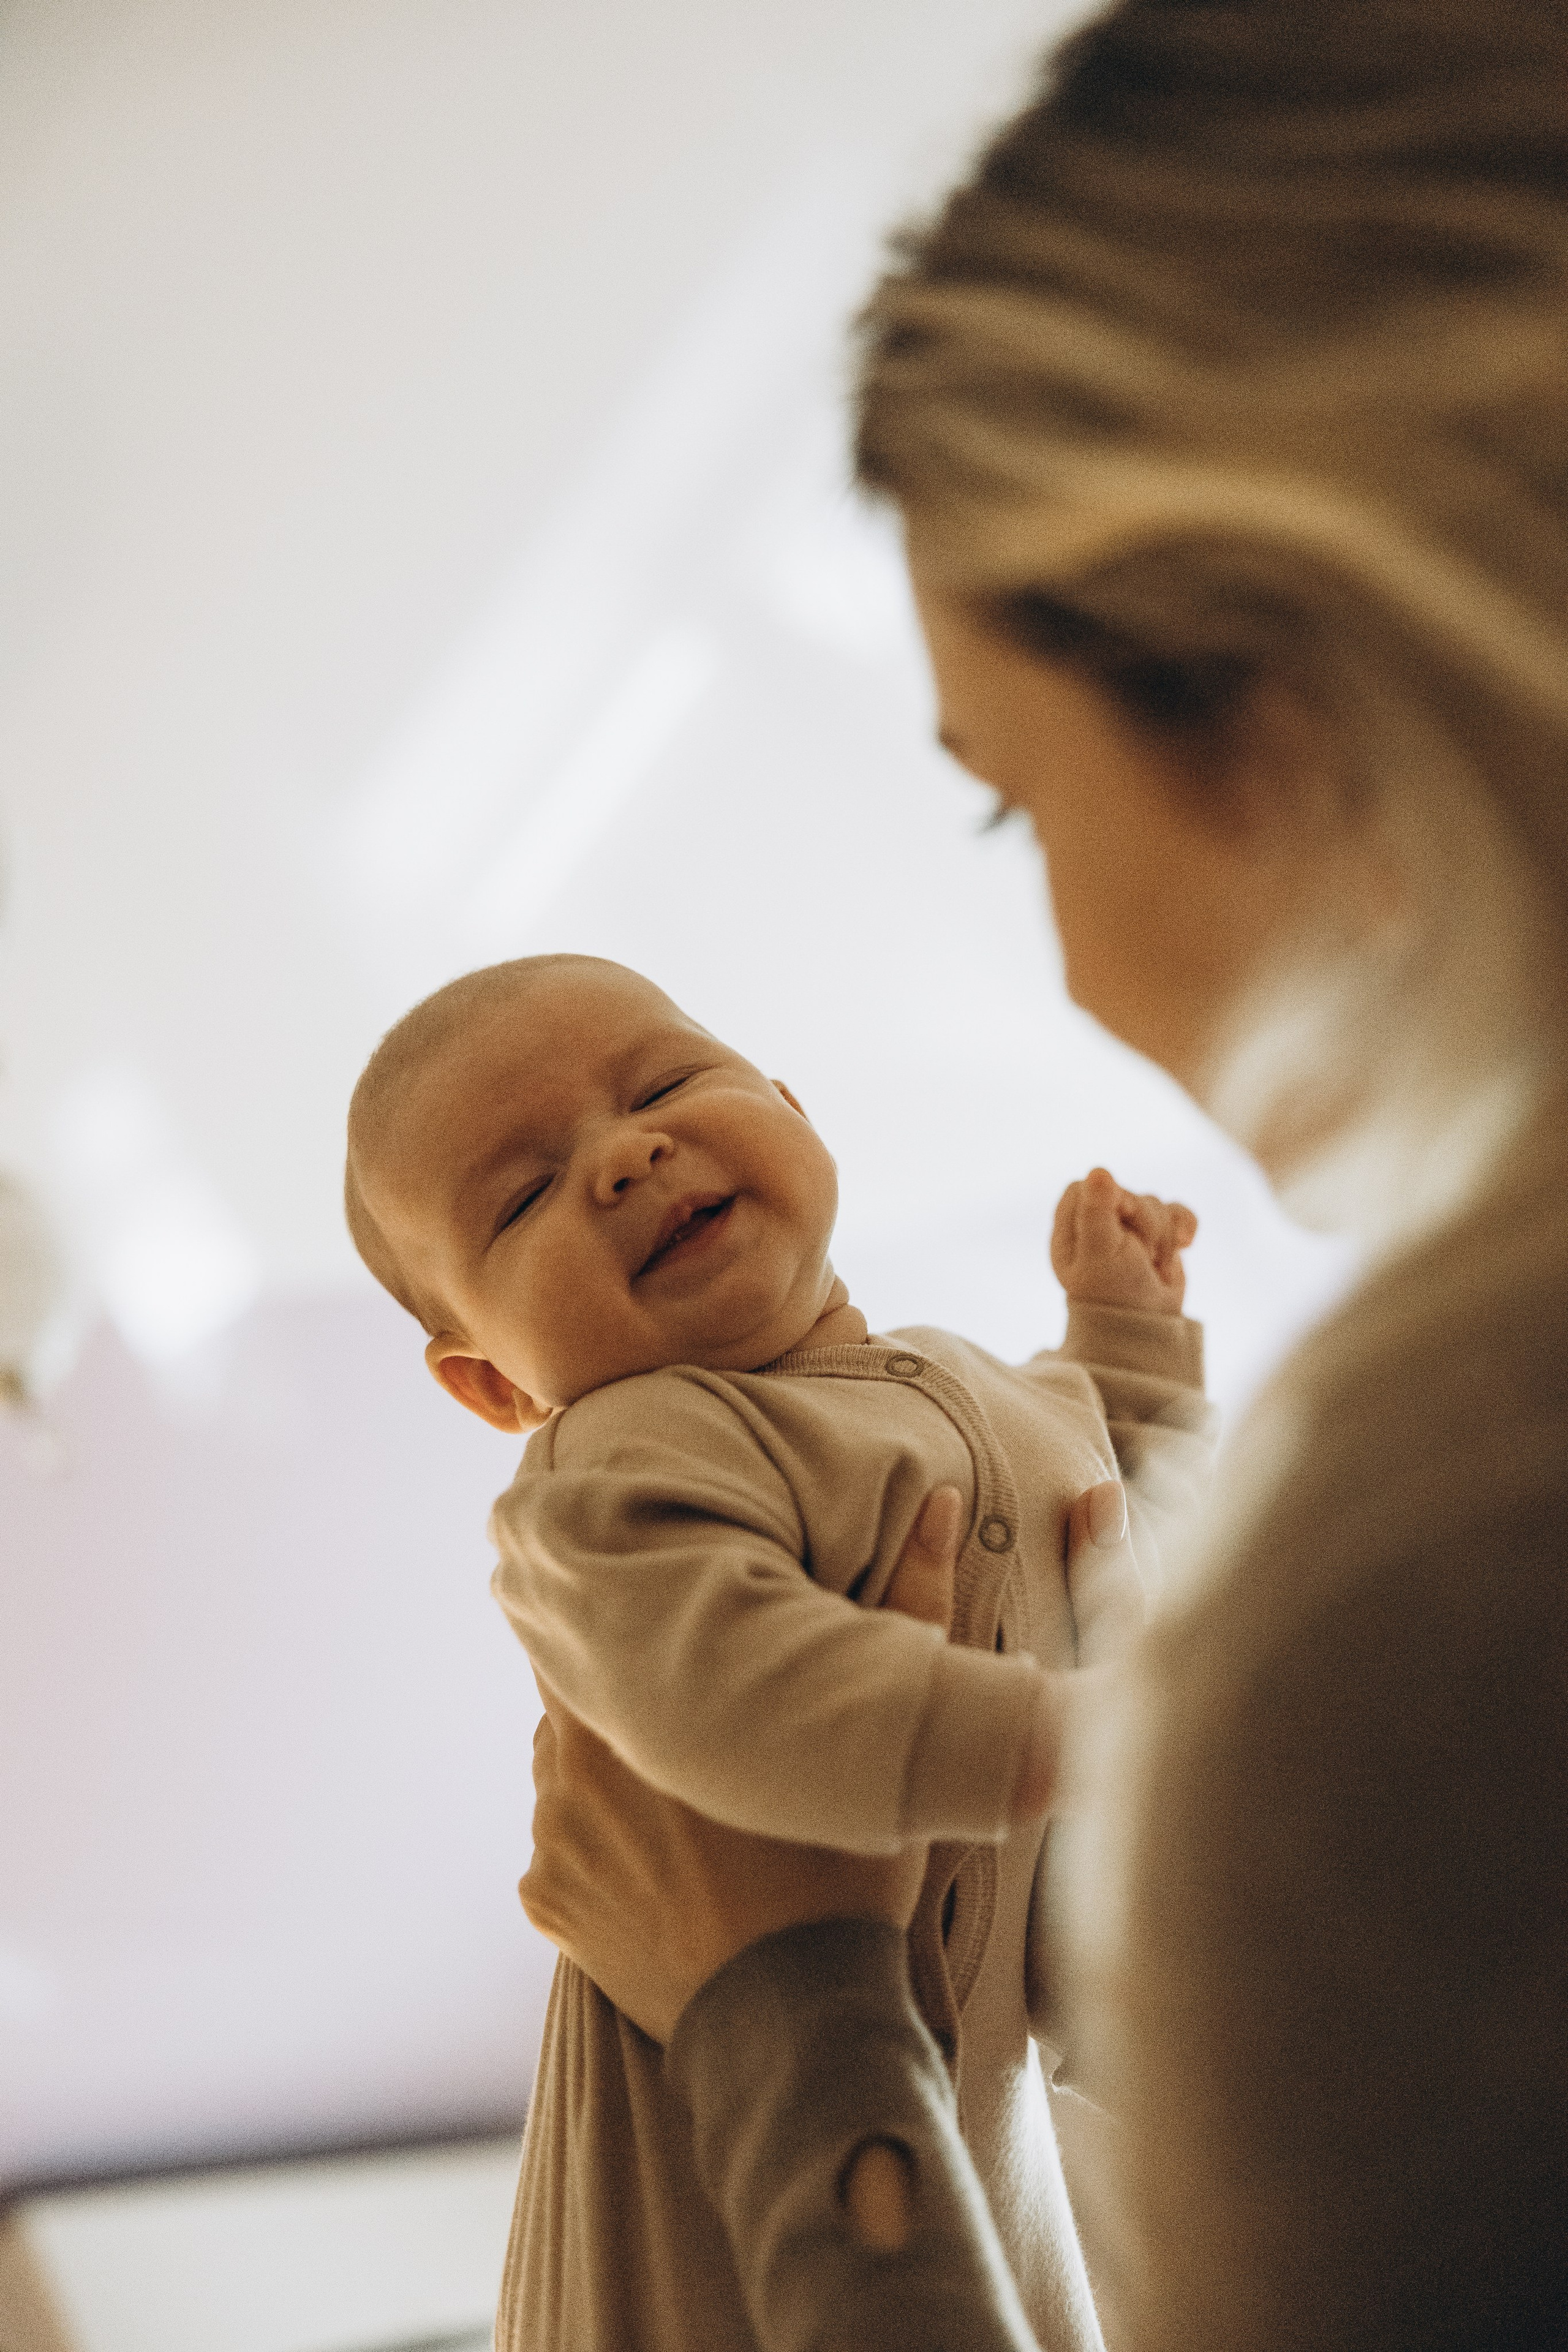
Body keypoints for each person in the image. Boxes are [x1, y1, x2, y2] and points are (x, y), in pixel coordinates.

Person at [516, 4, 1568, 2349]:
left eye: (1013, 797)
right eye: (520, 1188)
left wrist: (795, 2003)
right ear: (487, 1381)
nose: (1073, 958)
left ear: (1275, 695)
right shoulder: (630, 1491)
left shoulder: (1427, 1569)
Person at [342, 951, 1213, 2350]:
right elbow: (725, 1684)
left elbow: (1112, 1545)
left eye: (665, 1086)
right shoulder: (618, 1462)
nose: (623, 1158)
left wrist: (1132, 1355)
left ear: (794, 1113)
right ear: (493, 1382)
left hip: (956, 2113)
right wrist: (1081, 1739)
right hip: (696, 2161)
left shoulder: (982, 1380)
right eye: (522, 1196)